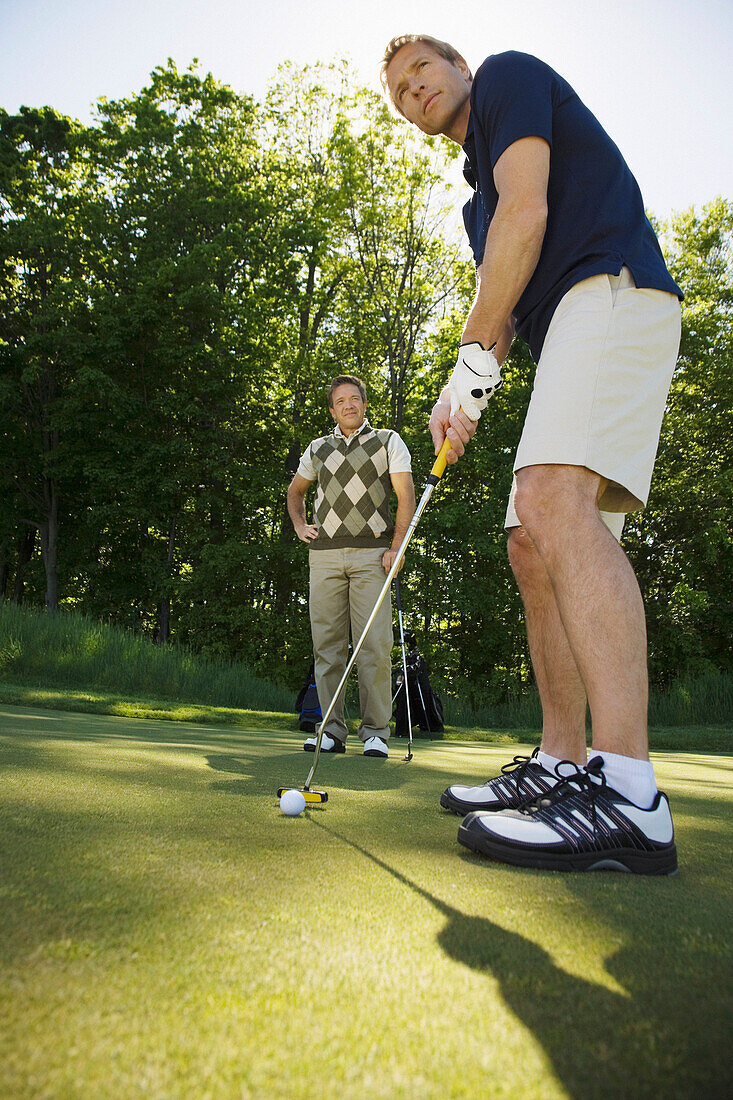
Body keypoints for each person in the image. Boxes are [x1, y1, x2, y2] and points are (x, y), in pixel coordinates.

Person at [382, 36, 682, 873]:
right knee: (528, 539)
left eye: (422, 74)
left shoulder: (510, 78)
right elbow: (504, 310)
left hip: (613, 291)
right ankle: (562, 761)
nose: (413, 92)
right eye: (400, 94)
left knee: (551, 501)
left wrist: (469, 362)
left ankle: (628, 792)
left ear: (461, 69)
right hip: (565, 333)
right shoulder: (474, 205)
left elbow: (530, 215)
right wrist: (463, 396)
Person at [287, 375, 416, 758]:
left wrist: (397, 546)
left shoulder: (388, 440)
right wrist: (299, 525)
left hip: (372, 556)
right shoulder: (318, 448)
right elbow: (296, 491)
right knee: (327, 646)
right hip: (324, 556)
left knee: (374, 645)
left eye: (355, 399)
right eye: (341, 401)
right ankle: (331, 731)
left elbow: (405, 496)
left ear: (364, 404)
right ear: (332, 409)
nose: (348, 405)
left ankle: (375, 732)